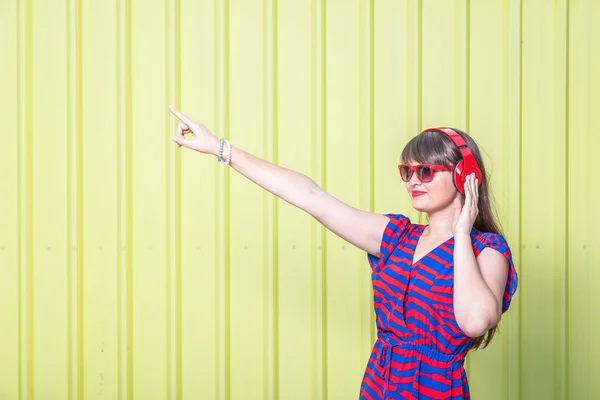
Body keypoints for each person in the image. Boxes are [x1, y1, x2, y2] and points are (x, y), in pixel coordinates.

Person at [167, 106, 518, 400]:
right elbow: (310, 197)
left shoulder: (486, 250)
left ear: (464, 175)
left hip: (436, 391)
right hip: (379, 386)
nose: (413, 180)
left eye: (425, 171)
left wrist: (460, 233)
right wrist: (221, 149)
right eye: (407, 171)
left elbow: (474, 322)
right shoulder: (395, 237)